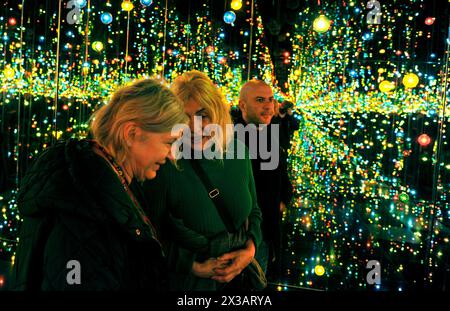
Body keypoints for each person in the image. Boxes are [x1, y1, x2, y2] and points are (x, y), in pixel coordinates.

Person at [11, 78, 187, 290]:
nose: (171, 155)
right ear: (131, 134)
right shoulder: (83, 207)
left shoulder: (105, 187)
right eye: (168, 143)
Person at [143, 70, 263, 291]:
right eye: (183, 117)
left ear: (217, 112)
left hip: (242, 281)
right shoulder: (162, 165)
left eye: (202, 114)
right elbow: (146, 236)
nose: (193, 127)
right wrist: (194, 266)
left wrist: (250, 250)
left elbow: (253, 210)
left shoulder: (237, 151)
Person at [233, 80, 293, 282]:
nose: (268, 106)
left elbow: (280, 173)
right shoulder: (229, 139)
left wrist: (285, 197)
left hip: (266, 234)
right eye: (260, 100)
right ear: (242, 105)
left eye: (270, 99)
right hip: (241, 240)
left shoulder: (271, 131)